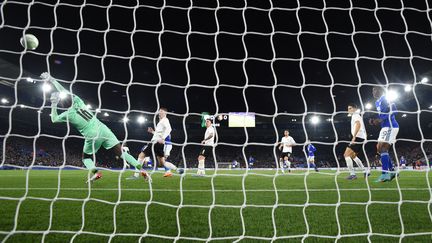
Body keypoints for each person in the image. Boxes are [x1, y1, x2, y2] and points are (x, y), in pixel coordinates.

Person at [41, 72, 150, 183]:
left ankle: (96, 173)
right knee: (121, 153)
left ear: (63, 105)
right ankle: (142, 170)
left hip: (92, 135)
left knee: (86, 158)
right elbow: (65, 92)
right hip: (103, 129)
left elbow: (53, 119)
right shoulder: (79, 102)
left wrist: (53, 103)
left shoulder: (67, 114)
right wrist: (52, 79)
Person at [136, 108, 183, 177]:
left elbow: (169, 129)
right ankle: (177, 170)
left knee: (141, 155)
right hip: (158, 143)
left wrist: (163, 138)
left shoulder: (165, 120)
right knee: (161, 163)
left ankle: (136, 174)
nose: (159, 113)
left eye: (161, 111)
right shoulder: (161, 122)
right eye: (159, 111)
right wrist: (152, 132)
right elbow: (158, 134)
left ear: (165, 113)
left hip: (157, 143)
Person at [369, 87, 399, 182]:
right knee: (379, 148)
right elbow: (382, 114)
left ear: (381, 90)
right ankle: (392, 171)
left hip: (391, 126)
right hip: (385, 127)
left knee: (383, 148)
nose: (373, 92)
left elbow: (395, 111)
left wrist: (381, 119)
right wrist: (374, 120)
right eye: (372, 91)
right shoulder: (377, 102)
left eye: (375, 90)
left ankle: (385, 174)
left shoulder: (386, 98)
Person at [344, 103, 370, 180]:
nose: (348, 110)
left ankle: (353, 174)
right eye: (348, 108)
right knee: (353, 156)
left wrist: (354, 137)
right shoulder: (356, 115)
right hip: (361, 138)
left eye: (350, 108)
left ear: (355, 109)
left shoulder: (355, 115)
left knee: (346, 155)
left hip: (358, 137)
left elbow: (358, 124)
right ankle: (365, 171)